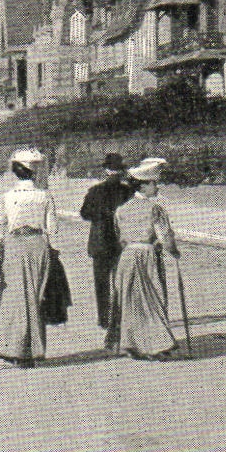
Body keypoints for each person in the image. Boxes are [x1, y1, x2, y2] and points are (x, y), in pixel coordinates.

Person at [104, 157, 184, 360]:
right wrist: (173, 250)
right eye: (153, 183)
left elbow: (119, 236)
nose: (156, 187)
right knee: (152, 298)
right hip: (147, 255)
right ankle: (155, 345)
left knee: (130, 300)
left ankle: (133, 344)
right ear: (144, 185)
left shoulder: (121, 209)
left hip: (127, 256)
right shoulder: (155, 209)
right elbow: (165, 236)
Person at [0, 147, 59, 367]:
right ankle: (32, 350)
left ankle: (16, 349)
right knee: (35, 297)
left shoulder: (5, 198)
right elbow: (52, 230)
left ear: (15, 171)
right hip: (38, 246)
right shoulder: (45, 196)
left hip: (14, 247)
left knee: (14, 299)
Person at [79, 152, 134, 332]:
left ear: (105, 170)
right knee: (121, 280)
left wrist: (100, 215)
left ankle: (104, 318)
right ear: (120, 171)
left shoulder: (95, 191)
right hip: (121, 241)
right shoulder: (127, 191)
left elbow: (84, 213)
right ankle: (121, 316)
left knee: (101, 283)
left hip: (100, 242)